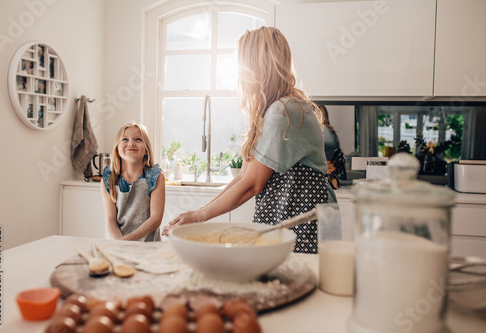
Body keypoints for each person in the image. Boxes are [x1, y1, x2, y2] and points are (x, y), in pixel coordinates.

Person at [162, 27, 336, 254]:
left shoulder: (283, 111)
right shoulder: (277, 108)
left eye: (242, 63)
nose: (239, 75)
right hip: (293, 215)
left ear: (257, 66)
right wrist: (197, 213)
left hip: (302, 220)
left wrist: (199, 216)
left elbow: (252, 184)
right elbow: (244, 176)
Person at [101, 122, 165, 241]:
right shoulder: (108, 180)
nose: (131, 143)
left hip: (148, 247)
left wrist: (127, 241)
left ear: (146, 150)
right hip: (118, 243)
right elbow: (111, 223)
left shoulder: (156, 177)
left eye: (138, 139)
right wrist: (121, 243)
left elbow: (156, 219)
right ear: (117, 149)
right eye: (124, 139)